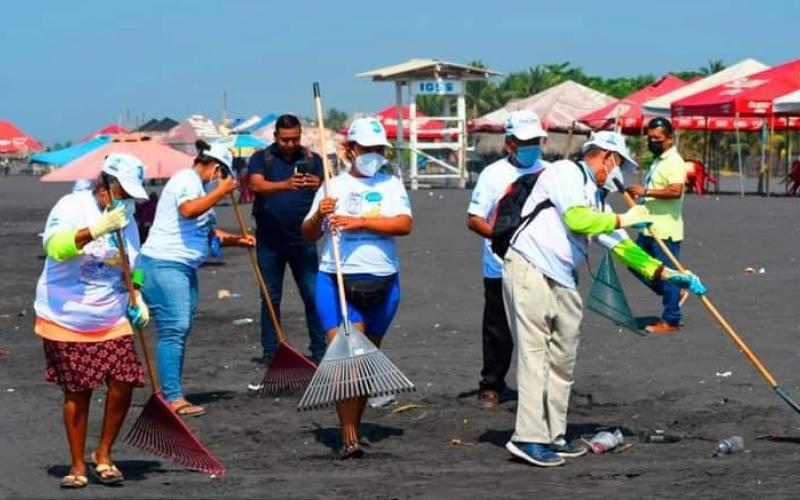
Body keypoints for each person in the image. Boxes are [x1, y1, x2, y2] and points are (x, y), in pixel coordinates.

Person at [502, 131, 707, 467]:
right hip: (530, 267)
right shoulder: (565, 173)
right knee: (535, 355)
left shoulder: (598, 200)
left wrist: (670, 275)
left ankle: (553, 436)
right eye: (619, 164)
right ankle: (528, 437)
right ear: (605, 156)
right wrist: (626, 217)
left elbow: (622, 246)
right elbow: (577, 219)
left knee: (563, 360)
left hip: (563, 276)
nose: (619, 173)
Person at [34, 153, 151, 488]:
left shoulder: (127, 220)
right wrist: (98, 228)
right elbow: (55, 247)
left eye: (131, 196)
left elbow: (134, 262)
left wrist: (137, 295)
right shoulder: (71, 206)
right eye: (122, 193)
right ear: (105, 186)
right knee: (78, 390)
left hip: (112, 314)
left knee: (124, 380)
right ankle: (77, 465)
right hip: (65, 314)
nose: (126, 202)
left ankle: (104, 453)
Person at [301, 117, 413, 459]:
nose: (375, 155)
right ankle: (349, 438)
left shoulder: (392, 184)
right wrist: (319, 215)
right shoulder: (332, 187)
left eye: (380, 149)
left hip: (383, 282)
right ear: (351, 150)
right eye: (368, 149)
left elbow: (404, 224)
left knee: (363, 362)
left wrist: (359, 221)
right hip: (337, 279)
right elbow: (308, 233)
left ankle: (355, 425)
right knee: (348, 360)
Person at [140, 141, 254, 417]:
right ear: (217, 168)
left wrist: (239, 240)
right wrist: (222, 192)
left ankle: (172, 391)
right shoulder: (186, 180)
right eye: (222, 175)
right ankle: (172, 397)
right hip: (165, 264)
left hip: (184, 268)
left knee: (181, 329)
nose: (222, 181)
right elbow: (188, 211)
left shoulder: (200, 189)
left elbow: (208, 234)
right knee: (175, 328)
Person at [467, 110, 549, 409]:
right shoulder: (493, 175)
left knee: (539, 329)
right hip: (499, 265)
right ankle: (491, 385)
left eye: (535, 141)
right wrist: (502, 240)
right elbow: (474, 219)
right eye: (524, 141)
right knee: (498, 330)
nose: (531, 147)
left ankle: (538, 386)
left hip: (541, 266)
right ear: (509, 144)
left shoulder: (550, 173)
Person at [248, 114, 326, 364]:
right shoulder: (262, 158)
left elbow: (332, 189)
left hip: (303, 239)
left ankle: (319, 348)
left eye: (295, 139)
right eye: (285, 140)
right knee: (270, 297)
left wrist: (319, 183)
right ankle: (272, 350)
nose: (290, 145)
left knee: (313, 295)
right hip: (269, 240)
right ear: (276, 137)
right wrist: (286, 184)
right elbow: (256, 185)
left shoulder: (313, 160)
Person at [626, 117, 687, 334]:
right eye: (650, 138)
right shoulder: (659, 160)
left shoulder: (674, 162)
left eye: (657, 138)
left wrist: (647, 192)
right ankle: (674, 291)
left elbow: (675, 190)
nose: (653, 141)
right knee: (635, 263)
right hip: (648, 227)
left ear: (669, 139)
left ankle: (671, 320)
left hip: (665, 230)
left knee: (666, 272)